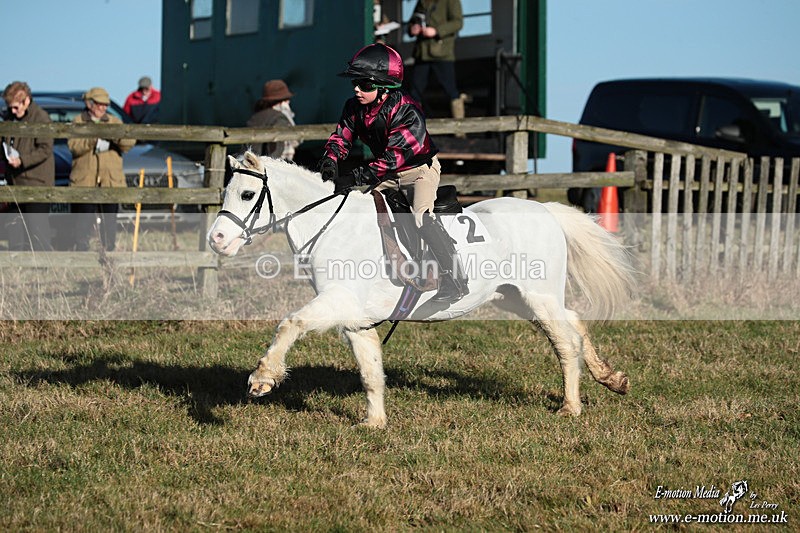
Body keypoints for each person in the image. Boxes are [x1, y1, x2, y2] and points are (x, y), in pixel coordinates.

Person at [317, 43, 468, 303]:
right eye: (356, 82)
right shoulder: (353, 107)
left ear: (384, 88)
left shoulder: (407, 109)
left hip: (419, 170)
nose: (357, 89)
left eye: (365, 85)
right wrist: (330, 159)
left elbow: (394, 158)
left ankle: (455, 280)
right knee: (361, 207)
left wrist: (357, 176)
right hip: (386, 172)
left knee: (421, 217)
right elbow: (341, 137)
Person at [68, 87, 135, 251]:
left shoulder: (114, 122)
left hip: (110, 181)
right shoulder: (78, 121)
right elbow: (73, 146)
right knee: (82, 221)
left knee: (109, 220)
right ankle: (82, 252)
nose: (103, 108)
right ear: (89, 104)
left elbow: (129, 142)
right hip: (84, 181)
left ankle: (109, 251)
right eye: (99, 104)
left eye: (106, 105)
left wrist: (113, 135)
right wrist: (93, 139)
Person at [1, 81, 54, 251]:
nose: (13, 111)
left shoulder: (41, 118)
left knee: (37, 227)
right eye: (11, 107)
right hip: (14, 182)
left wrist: (22, 160)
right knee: (14, 227)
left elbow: (45, 149)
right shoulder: (9, 118)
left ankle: (43, 265)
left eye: (16, 107)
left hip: (36, 182)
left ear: (26, 101)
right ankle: (17, 265)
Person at [407, 0, 466, 121]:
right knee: (415, 91)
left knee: (450, 90)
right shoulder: (421, 2)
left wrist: (436, 31)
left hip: (442, 53)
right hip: (422, 53)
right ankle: (414, 126)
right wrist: (413, 29)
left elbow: (458, 23)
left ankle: (460, 128)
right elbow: (413, 21)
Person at [246, 79, 299, 161]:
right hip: (270, 166)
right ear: (282, 102)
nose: (288, 102)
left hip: (251, 163)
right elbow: (278, 150)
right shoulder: (279, 117)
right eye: (286, 99)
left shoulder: (256, 117)